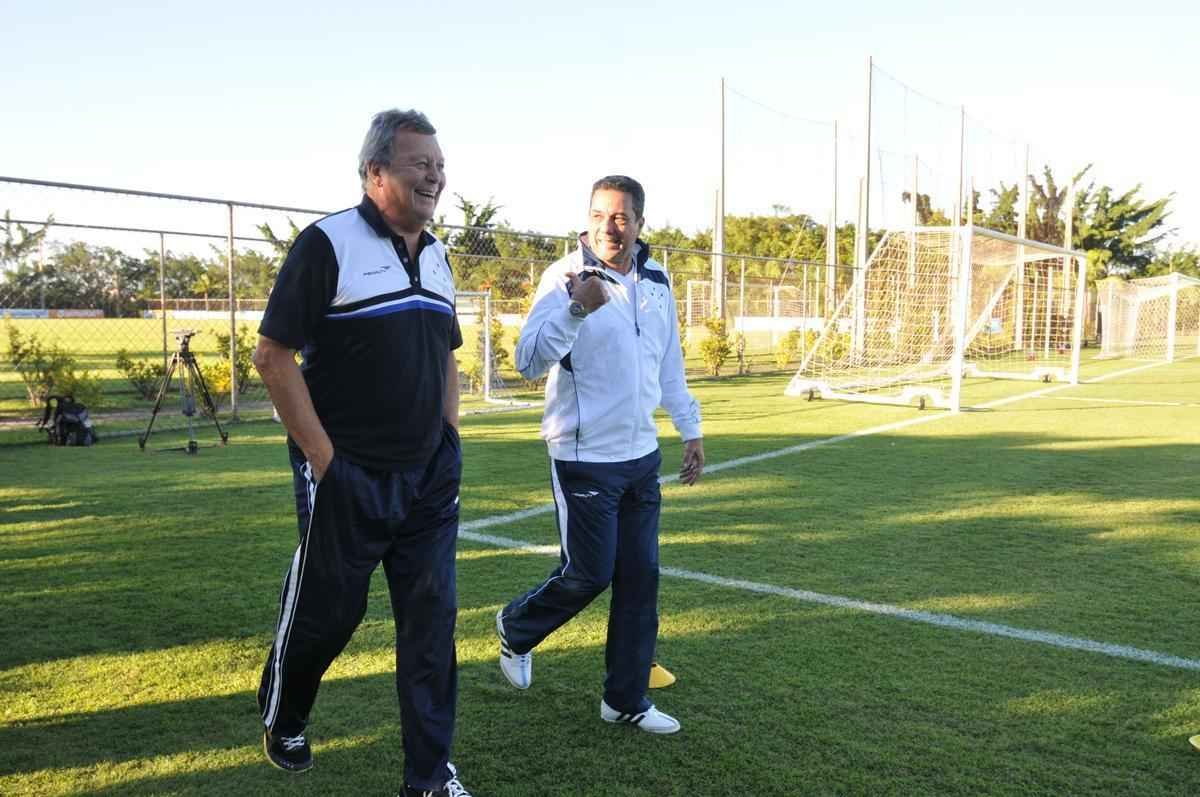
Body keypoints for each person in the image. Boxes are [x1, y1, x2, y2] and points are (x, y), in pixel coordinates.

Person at [253, 108, 472, 797]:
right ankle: (286, 711)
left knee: (432, 626)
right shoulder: (327, 243)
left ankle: (430, 779)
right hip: (347, 473)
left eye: (439, 163)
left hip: (428, 477)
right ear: (375, 172)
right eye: (419, 163)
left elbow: (445, 356)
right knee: (331, 615)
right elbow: (271, 355)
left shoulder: (437, 255)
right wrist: (326, 461)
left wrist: (449, 438)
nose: (434, 174)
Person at [495, 175, 704, 734]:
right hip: (583, 455)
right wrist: (574, 310)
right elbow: (527, 360)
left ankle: (625, 701)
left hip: (641, 456)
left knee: (641, 578)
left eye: (620, 217)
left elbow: (669, 364)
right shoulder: (562, 277)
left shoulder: (658, 280)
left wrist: (690, 428)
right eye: (598, 215)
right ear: (586, 219)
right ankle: (517, 628)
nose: (608, 226)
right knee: (589, 574)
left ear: (640, 223)